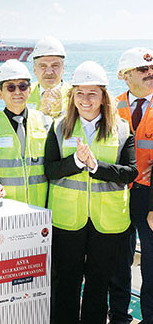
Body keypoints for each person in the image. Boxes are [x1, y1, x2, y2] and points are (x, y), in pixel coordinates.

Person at [46, 61, 136, 324]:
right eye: (80, 93)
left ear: (103, 96)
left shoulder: (121, 128)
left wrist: (96, 167)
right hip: (67, 219)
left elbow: (130, 172)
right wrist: (76, 162)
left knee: (99, 284)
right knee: (66, 282)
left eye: (92, 94)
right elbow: (50, 170)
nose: (85, 100)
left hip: (107, 222)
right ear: (72, 96)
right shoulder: (58, 127)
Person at [109, 47, 153, 324]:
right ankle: (119, 317)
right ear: (125, 76)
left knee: (150, 263)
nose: (150, 73)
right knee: (117, 260)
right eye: (143, 69)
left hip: (149, 197)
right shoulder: (111, 107)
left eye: (152, 68)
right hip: (118, 194)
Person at [0, 60, 51, 206]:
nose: (17, 92)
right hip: (6, 206)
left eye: (22, 86)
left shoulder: (46, 122)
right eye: (10, 87)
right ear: (0, 93)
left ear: (29, 90)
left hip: (40, 206)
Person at [27, 36, 71, 118]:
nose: (49, 72)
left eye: (55, 65)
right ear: (34, 70)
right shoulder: (24, 94)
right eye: (43, 66)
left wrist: (58, 114)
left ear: (63, 68)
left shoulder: (74, 96)